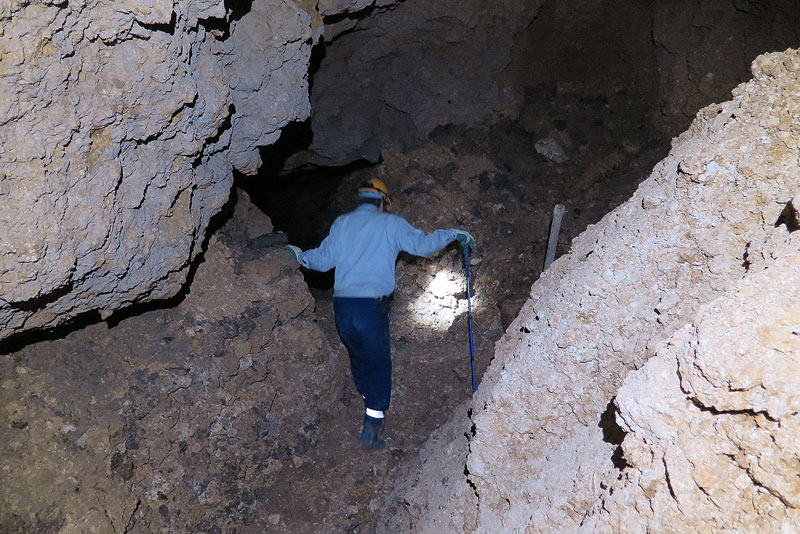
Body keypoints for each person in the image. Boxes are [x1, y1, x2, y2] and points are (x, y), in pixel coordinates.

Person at [285, 178, 474, 450]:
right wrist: (453, 234)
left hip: (343, 307)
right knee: (378, 361)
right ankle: (371, 427)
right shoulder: (391, 223)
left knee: (357, 353)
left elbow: (323, 261)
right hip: (370, 306)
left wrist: (300, 257)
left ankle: (364, 392)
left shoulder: (343, 223)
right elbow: (423, 246)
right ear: (383, 201)